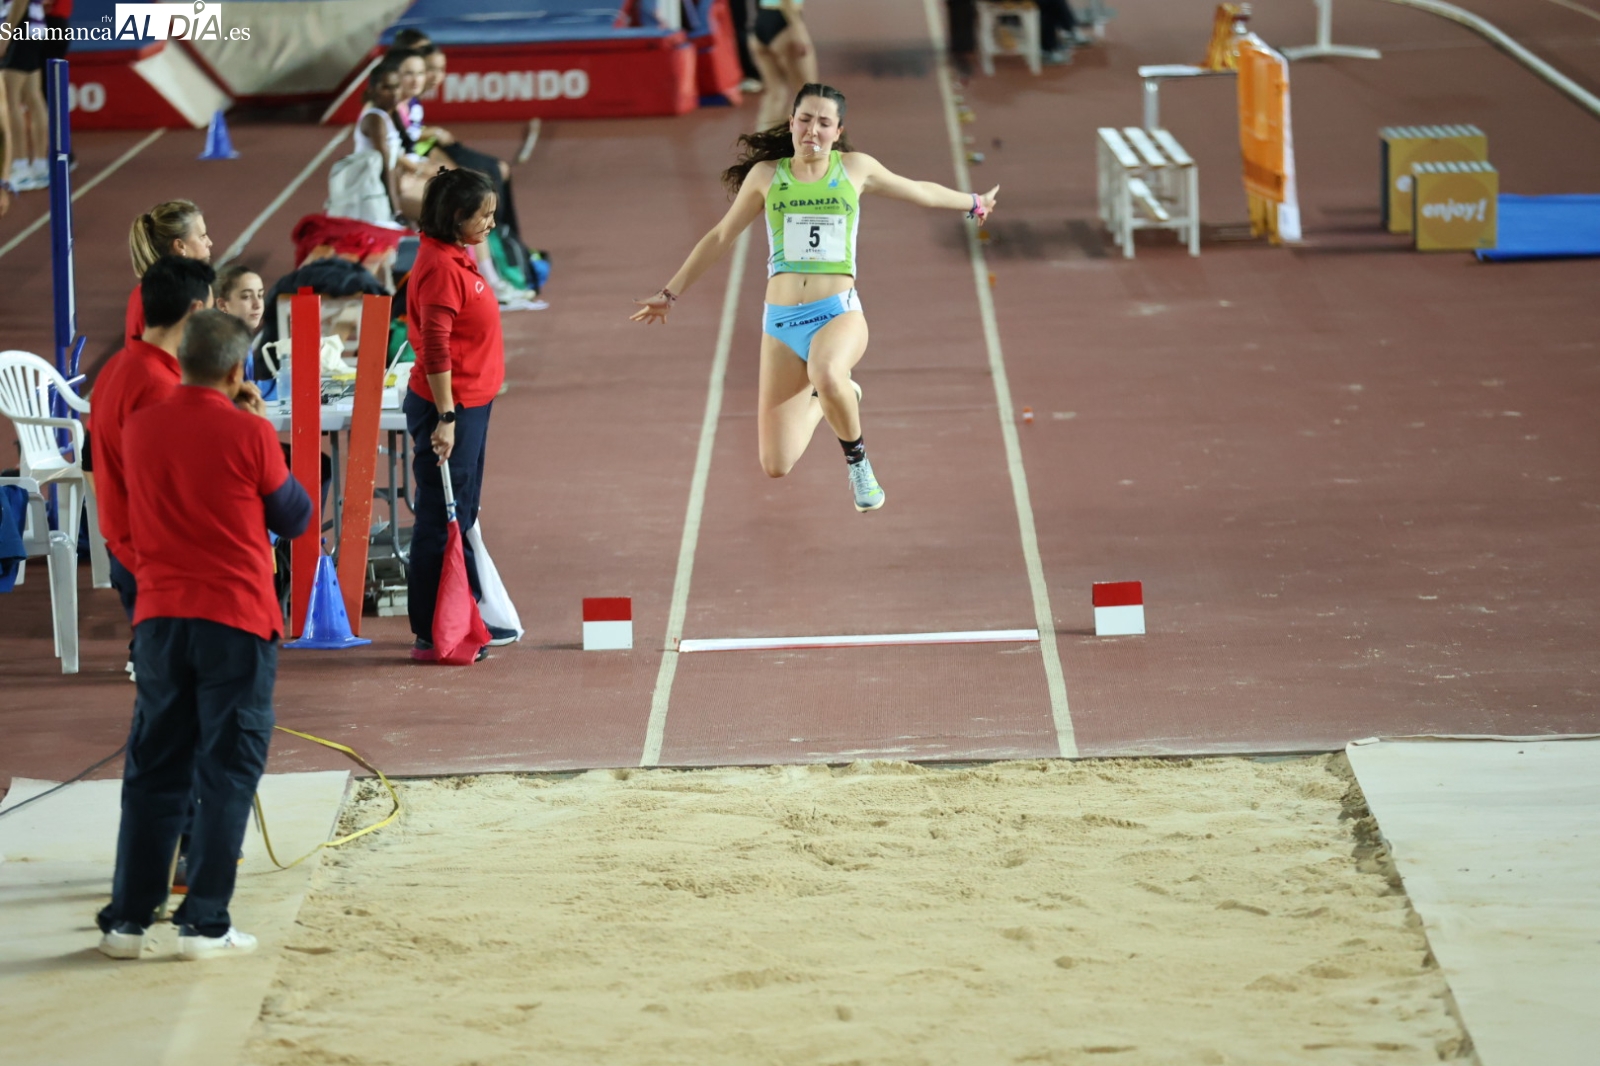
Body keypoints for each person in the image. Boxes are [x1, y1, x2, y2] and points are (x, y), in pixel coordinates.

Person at [631, 83, 998, 513]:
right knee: (776, 463)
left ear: (838, 131)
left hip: (837, 314)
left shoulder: (855, 169)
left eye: (824, 123)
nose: (812, 130)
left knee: (826, 369)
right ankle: (836, 398)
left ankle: (858, 464)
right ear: (791, 123)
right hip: (781, 323)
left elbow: (919, 190)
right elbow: (720, 236)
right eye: (805, 120)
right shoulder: (767, 176)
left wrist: (972, 202)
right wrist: (669, 292)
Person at [96, 310, 312, 962]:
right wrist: (257, 425)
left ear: (180, 359)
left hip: (161, 618)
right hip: (237, 620)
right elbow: (296, 515)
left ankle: (128, 922)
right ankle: (206, 921)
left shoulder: (139, 427)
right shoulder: (247, 433)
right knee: (227, 772)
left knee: (155, 769)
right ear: (237, 368)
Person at [404, 168, 516, 660]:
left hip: (471, 404)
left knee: (463, 511)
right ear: (455, 217)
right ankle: (436, 628)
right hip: (452, 410)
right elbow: (434, 346)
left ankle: (461, 610)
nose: (491, 223)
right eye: (484, 215)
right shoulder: (442, 268)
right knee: (440, 516)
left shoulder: (453, 255)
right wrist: (446, 419)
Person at [91, 256, 217, 656]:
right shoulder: (160, 388)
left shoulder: (117, 368)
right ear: (196, 310)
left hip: (128, 548)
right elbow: (173, 489)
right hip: (160, 562)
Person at [125, 200, 212, 343]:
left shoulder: (144, 291)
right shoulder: (176, 298)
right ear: (180, 245)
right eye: (202, 236)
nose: (209, 242)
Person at [353, 59, 428, 224]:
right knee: (446, 213)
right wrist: (396, 211)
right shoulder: (375, 119)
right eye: (386, 88)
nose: (394, 93)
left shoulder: (390, 115)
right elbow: (386, 168)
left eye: (396, 86)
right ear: (372, 91)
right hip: (373, 194)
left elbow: (394, 162)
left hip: (388, 188)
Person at [748, 0, 817, 130]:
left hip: (762, 21)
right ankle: (794, 142)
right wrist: (799, 32)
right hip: (785, 23)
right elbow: (788, 3)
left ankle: (761, 143)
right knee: (807, 93)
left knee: (776, 93)